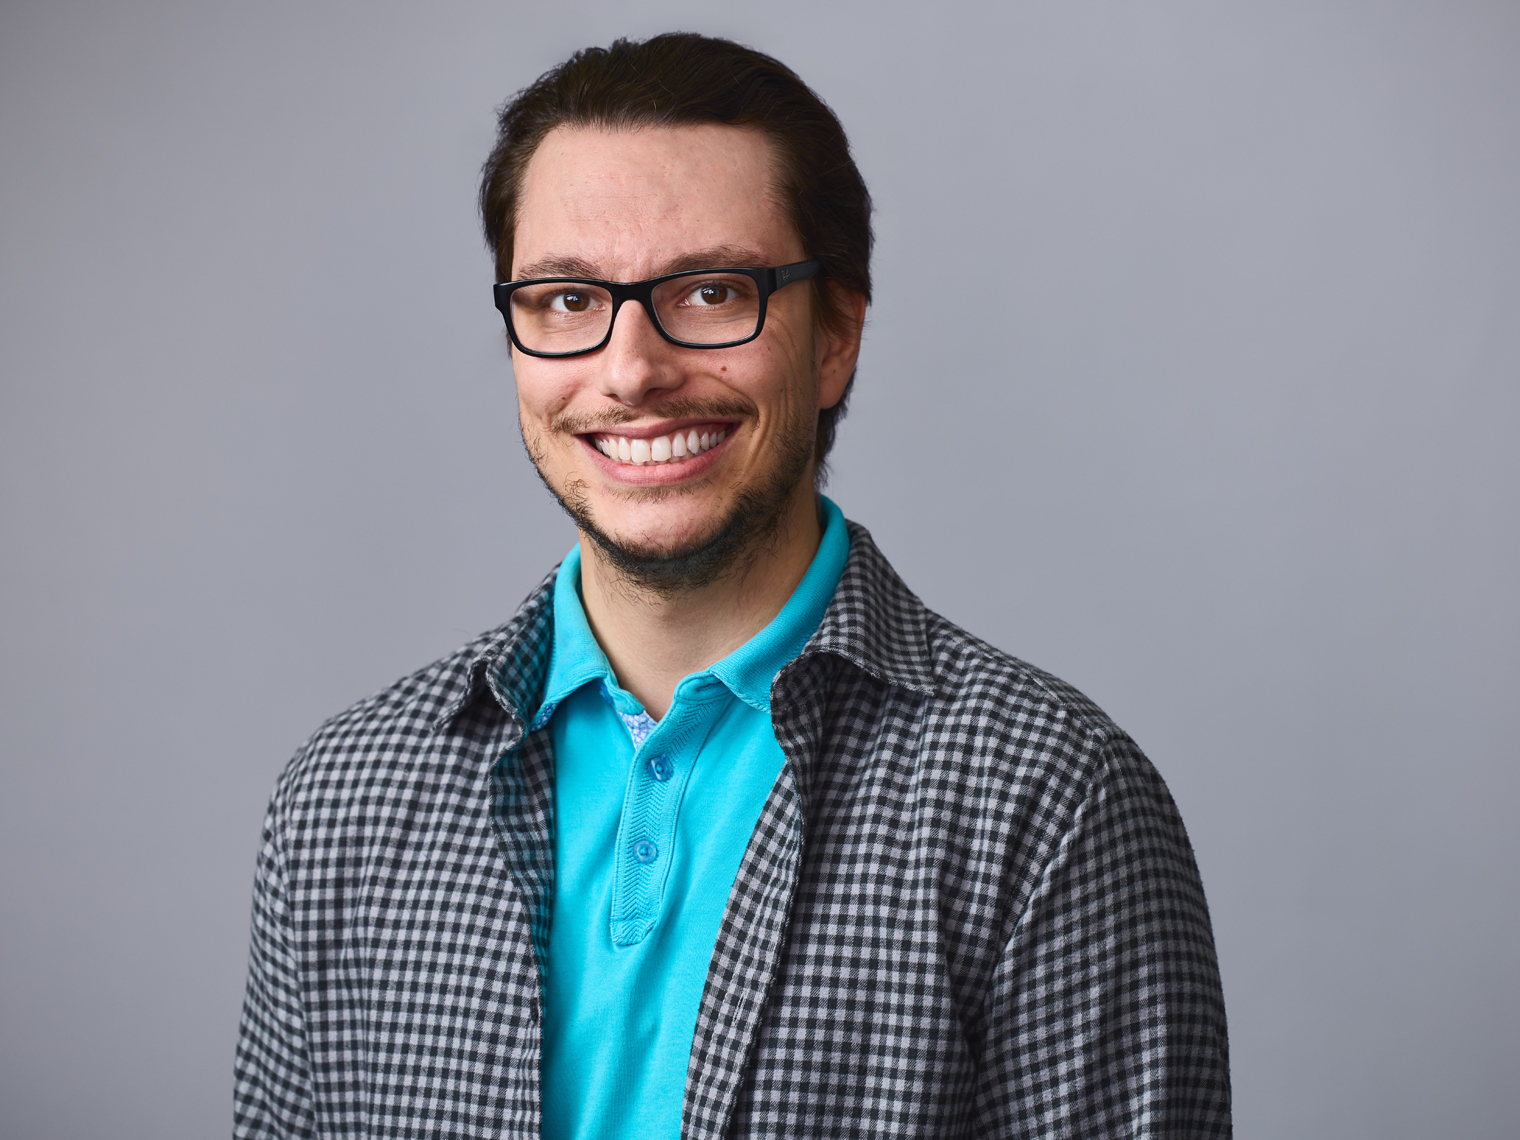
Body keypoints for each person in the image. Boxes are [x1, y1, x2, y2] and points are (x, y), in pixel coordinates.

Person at [234, 32, 1230, 1139]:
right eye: (566, 300)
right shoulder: (340, 805)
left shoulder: (1043, 798)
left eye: (710, 292)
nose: (630, 370)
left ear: (834, 338)